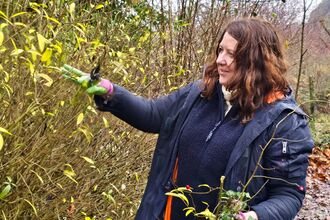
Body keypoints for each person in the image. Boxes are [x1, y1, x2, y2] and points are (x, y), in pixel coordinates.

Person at [62, 17, 314, 220]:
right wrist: (111, 92)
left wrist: (255, 216)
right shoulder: (200, 93)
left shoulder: (285, 121)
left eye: (232, 54)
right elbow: (153, 115)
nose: (220, 60)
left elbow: (289, 194)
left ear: (256, 62)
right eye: (220, 50)